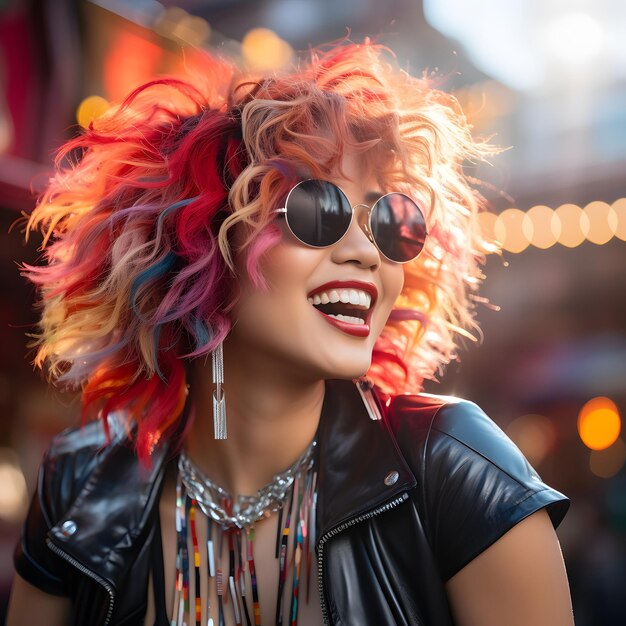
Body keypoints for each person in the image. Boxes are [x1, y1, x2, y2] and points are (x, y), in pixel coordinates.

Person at [7, 40, 573, 626]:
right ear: (203, 244)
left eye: (389, 222)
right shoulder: (80, 491)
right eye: (317, 211)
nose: (364, 252)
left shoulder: (459, 473)